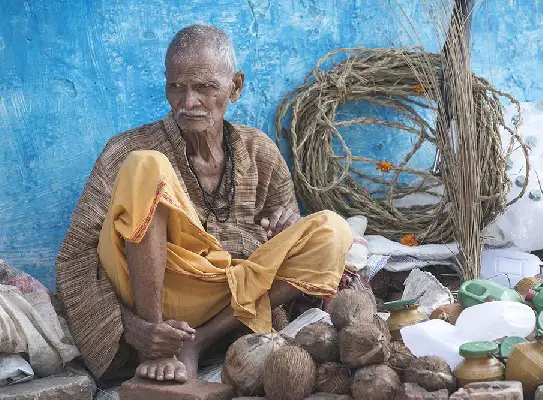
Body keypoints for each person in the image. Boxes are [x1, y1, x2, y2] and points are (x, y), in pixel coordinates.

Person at [55, 24, 352, 383]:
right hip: (158, 293)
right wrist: (134, 328)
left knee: (333, 230)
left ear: (235, 87)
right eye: (177, 87)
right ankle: (159, 345)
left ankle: (197, 344)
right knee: (145, 163)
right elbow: (76, 258)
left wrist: (284, 231)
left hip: (230, 299)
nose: (188, 102)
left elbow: (280, 253)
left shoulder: (260, 151)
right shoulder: (127, 150)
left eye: (205, 87)